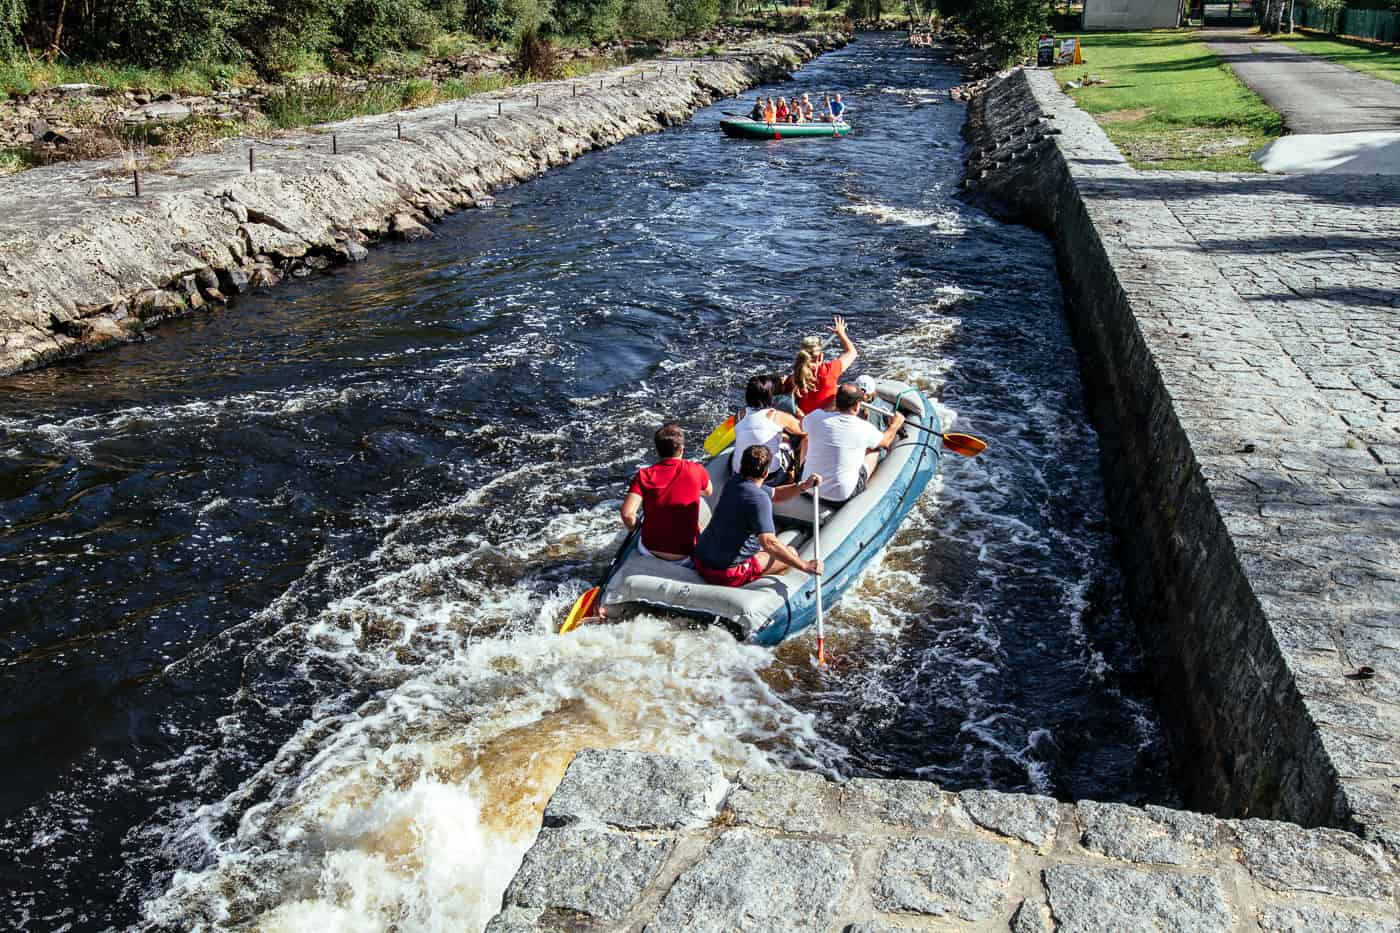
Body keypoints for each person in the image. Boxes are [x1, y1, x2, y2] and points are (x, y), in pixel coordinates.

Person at [692, 445, 822, 587]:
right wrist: (805, 566)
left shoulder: (733, 482)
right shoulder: (759, 498)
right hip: (725, 574)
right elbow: (769, 543)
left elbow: (776, 494)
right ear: (766, 473)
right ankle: (758, 586)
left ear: (742, 466)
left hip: (701, 561)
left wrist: (803, 486)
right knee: (791, 553)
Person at [800, 383, 905, 507]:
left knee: (806, 439)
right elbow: (886, 441)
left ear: (836, 401)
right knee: (874, 450)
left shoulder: (815, 417)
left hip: (807, 489)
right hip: (839, 498)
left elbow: (803, 424)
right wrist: (896, 424)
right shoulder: (864, 428)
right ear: (856, 406)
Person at [620, 422, 713, 561]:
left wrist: (638, 527)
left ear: (657, 451)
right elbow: (708, 492)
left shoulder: (644, 475)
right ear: (682, 449)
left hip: (649, 550)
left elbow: (627, 514)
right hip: (687, 554)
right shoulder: (696, 469)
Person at [731, 374, 805, 483]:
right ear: (770, 395)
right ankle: (791, 479)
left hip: (738, 473)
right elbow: (804, 430)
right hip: (770, 477)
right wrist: (798, 412)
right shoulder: (778, 416)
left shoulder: (739, 415)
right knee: (788, 446)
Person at [788, 314, 858, 415]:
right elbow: (852, 352)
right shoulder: (829, 371)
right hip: (825, 424)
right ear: (820, 356)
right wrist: (841, 333)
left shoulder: (795, 376)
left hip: (804, 424)